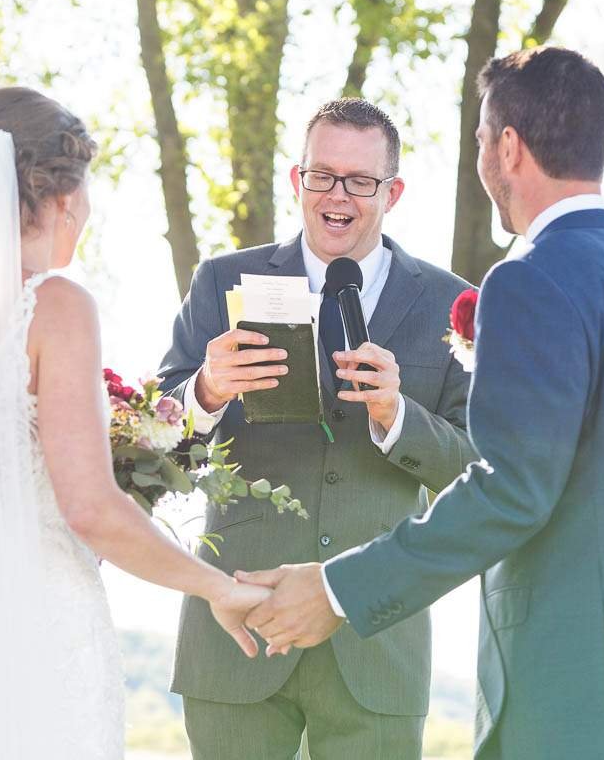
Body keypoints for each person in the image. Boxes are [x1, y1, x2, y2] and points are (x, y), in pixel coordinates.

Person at [239, 48, 604, 760]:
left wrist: (340, 589)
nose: (479, 159)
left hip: (582, 702)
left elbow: (511, 488)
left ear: (508, 146)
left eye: (478, 140)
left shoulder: (530, 280)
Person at [0, 87, 271, 759]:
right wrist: (214, 584)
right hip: (43, 640)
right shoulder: (57, 307)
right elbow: (90, 508)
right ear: (65, 196)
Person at [157, 99, 479, 759]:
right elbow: (151, 439)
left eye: (360, 180)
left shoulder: (452, 301)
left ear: (393, 191)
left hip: (376, 643)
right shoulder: (221, 281)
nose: (338, 195)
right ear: (296, 179)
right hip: (238, 630)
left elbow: (481, 470)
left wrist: (398, 417)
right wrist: (206, 390)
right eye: (322, 175)